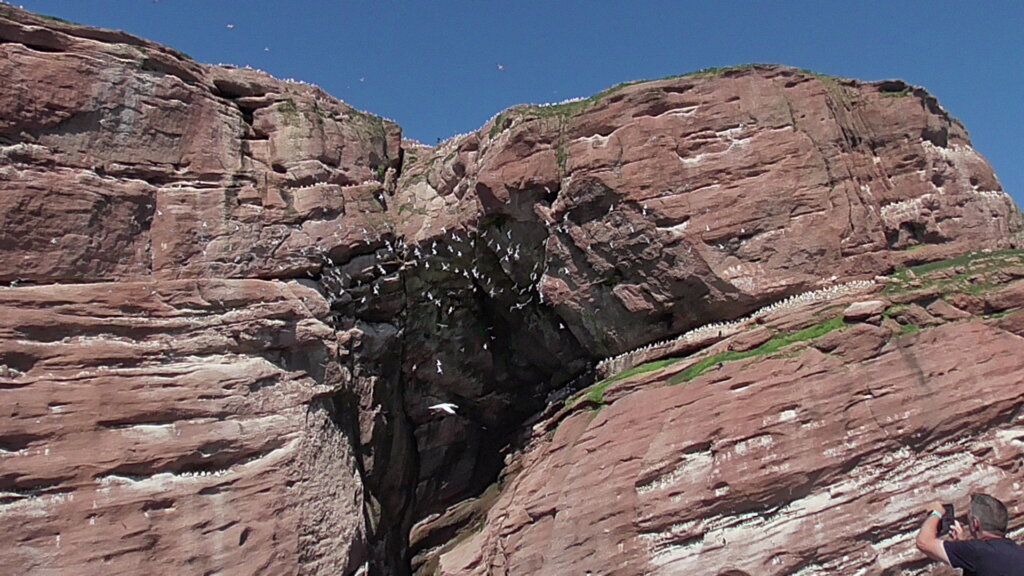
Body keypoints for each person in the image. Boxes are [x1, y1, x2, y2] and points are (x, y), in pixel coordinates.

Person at [915, 492, 1024, 575]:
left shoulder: (975, 552)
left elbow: (923, 543)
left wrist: (937, 513)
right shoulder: (1019, 552)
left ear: (975, 523)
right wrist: (961, 543)